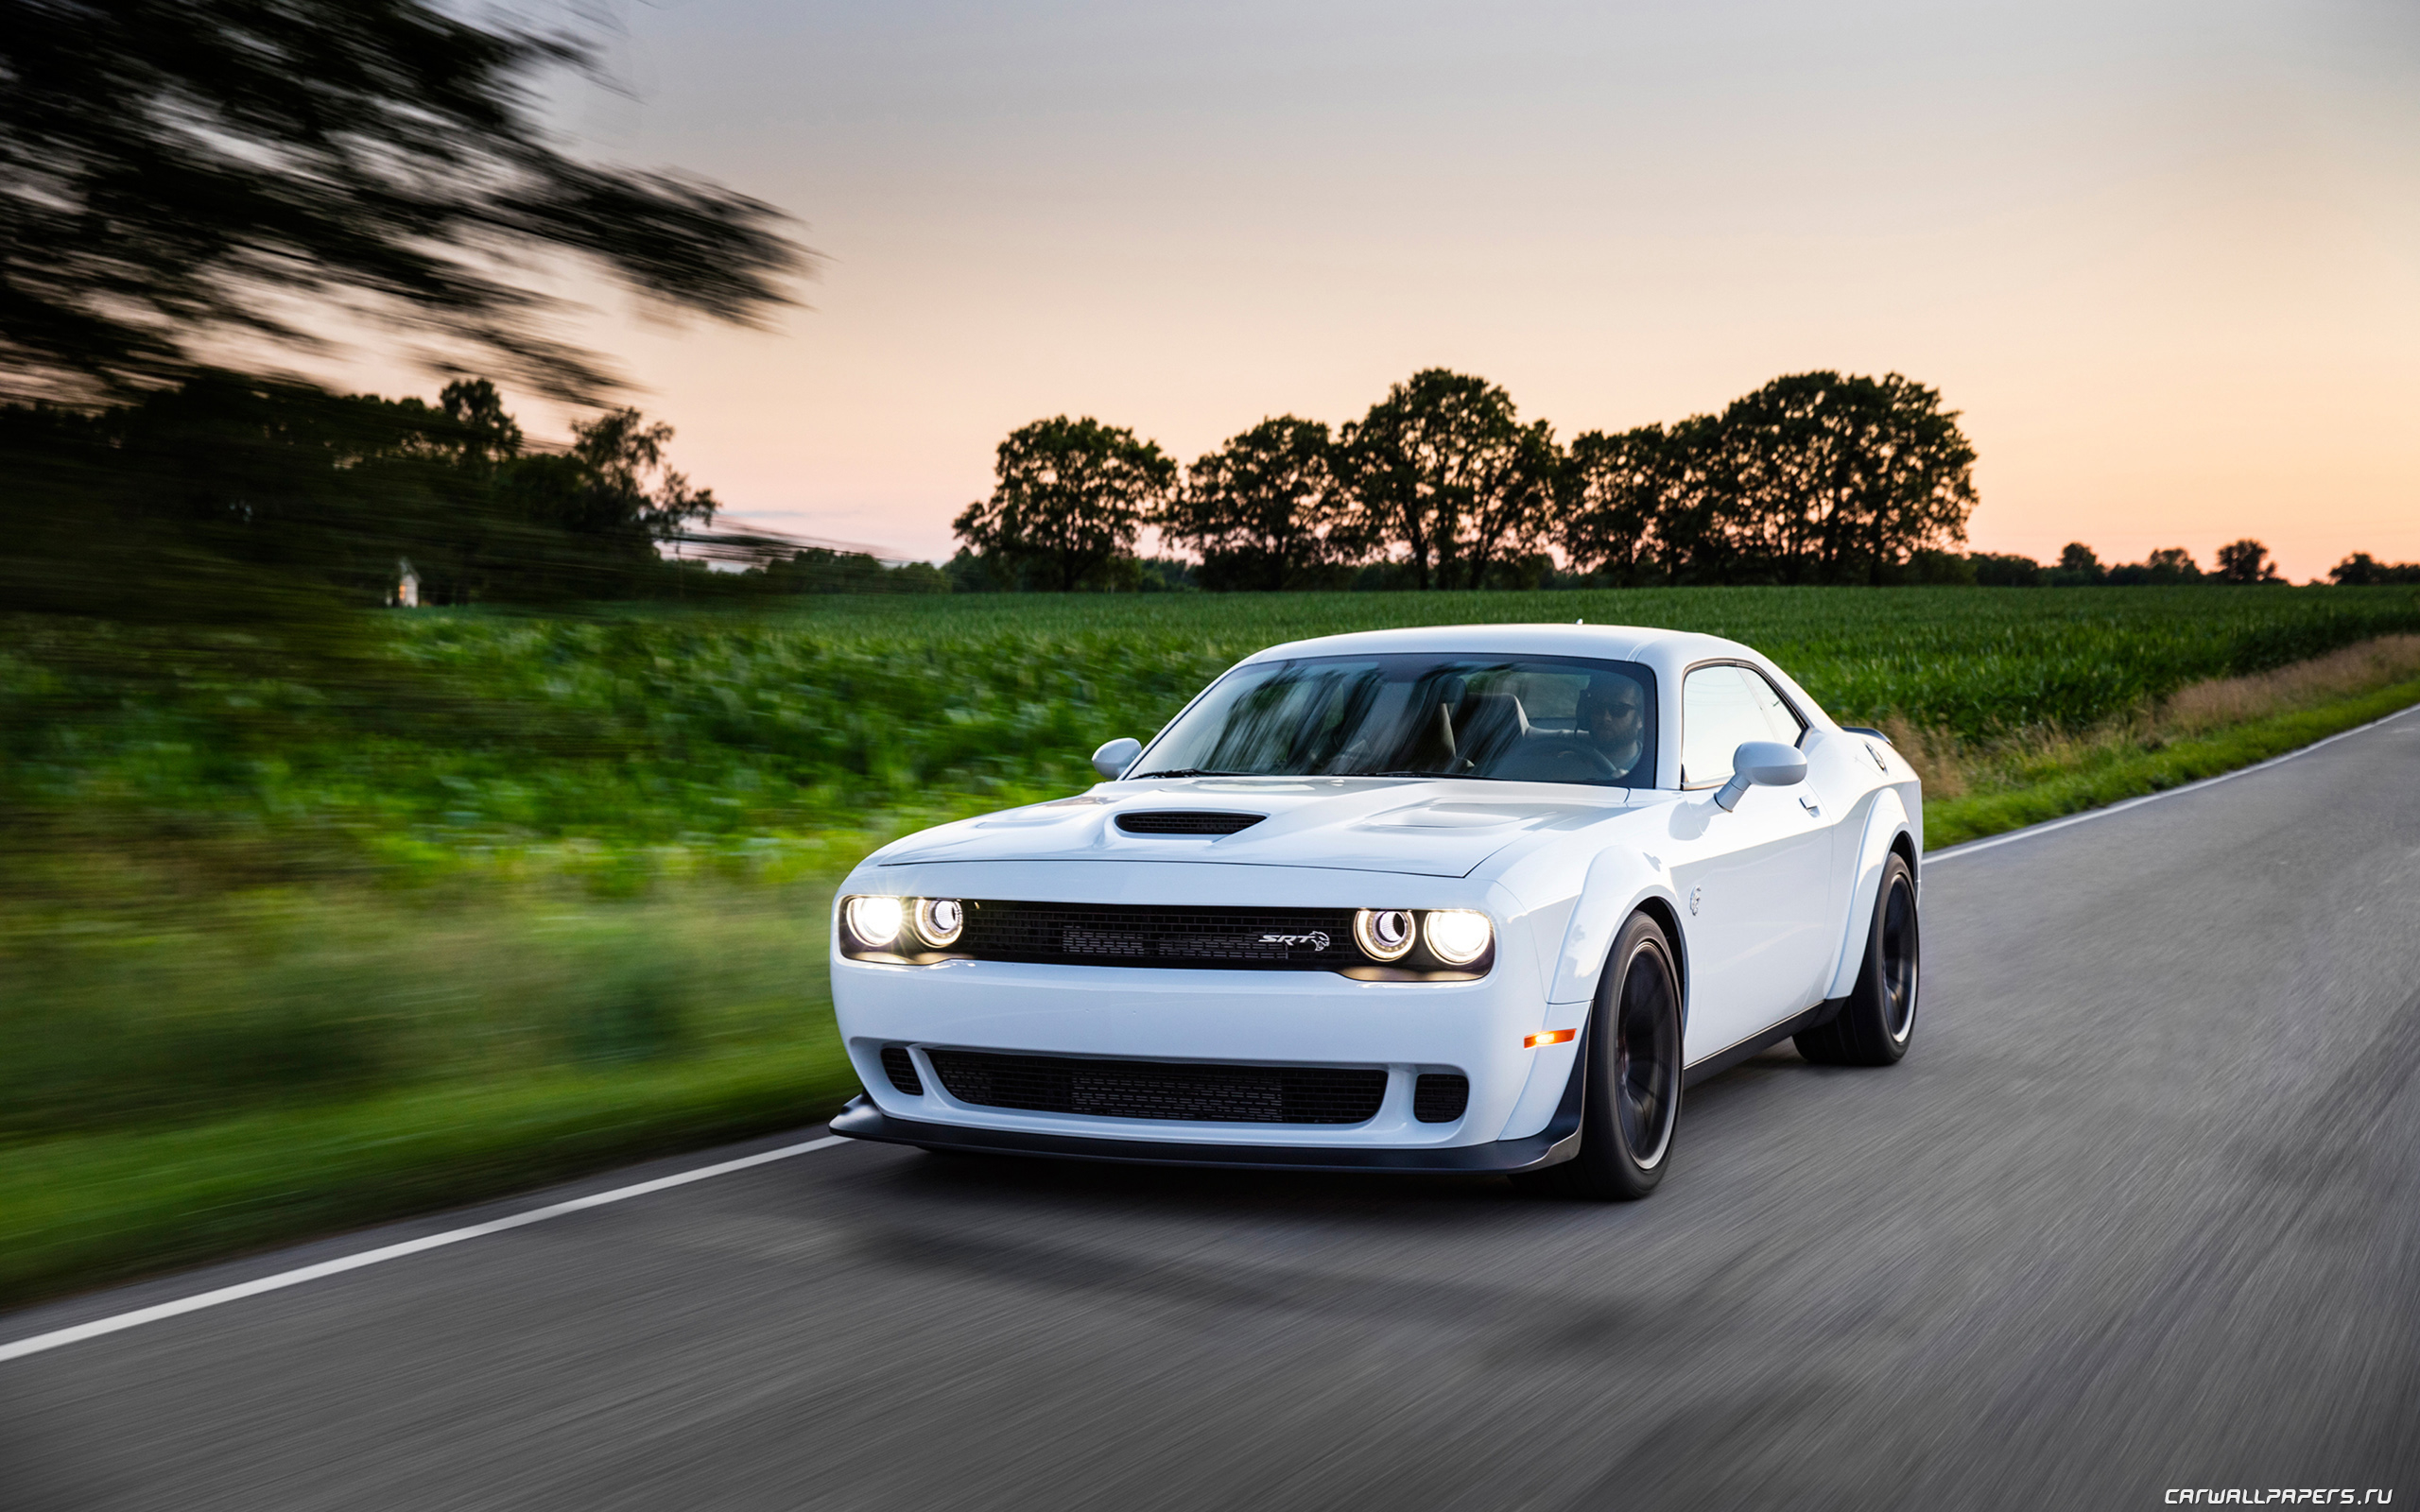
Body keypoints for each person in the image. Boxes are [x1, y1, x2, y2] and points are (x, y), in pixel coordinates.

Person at [1579, 676, 1648, 776]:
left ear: (1640, 719)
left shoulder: (1653, 771)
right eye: (1597, 707)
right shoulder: (1569, 764)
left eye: (1618, 709)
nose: (1605, 717)